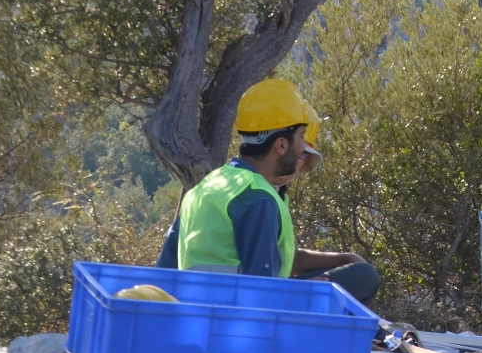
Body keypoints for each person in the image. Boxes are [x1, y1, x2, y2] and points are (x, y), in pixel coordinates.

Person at [155, 79, 380, 305]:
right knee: (364, 277)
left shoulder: (207, 187)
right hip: (233, 320)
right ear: (281, 145)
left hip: (197, 315)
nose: (304, 147)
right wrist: (304, 293)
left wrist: (340, 260)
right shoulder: (257, 197)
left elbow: (164, 272)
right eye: (302, 137)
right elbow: (260, 296)